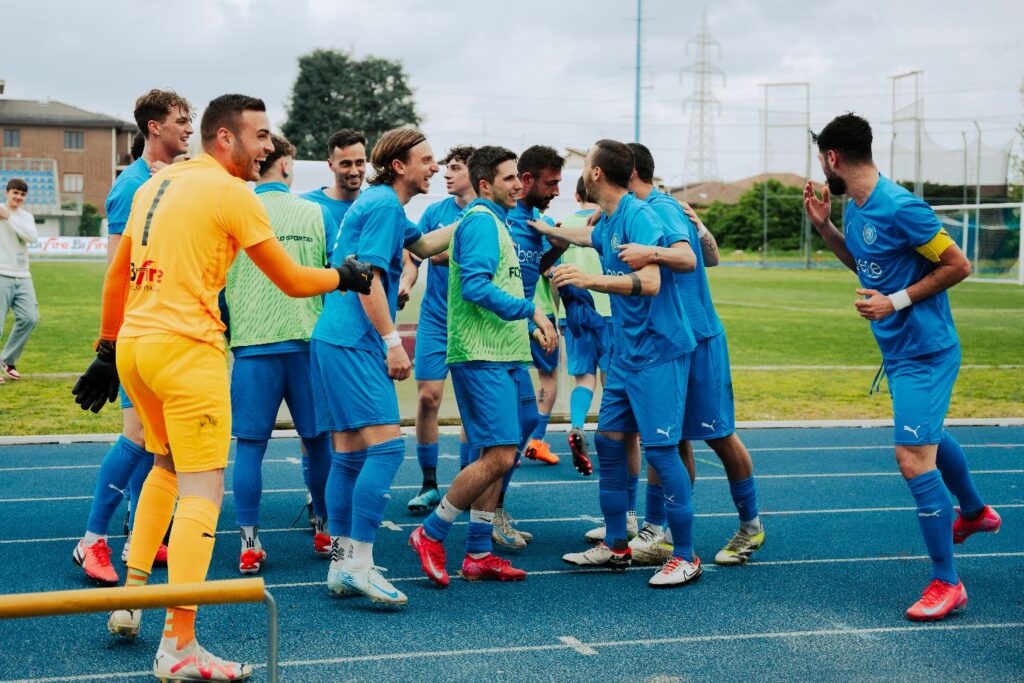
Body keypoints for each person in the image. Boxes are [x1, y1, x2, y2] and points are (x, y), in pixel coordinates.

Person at [71, 93, 372, 681]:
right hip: (188, 352)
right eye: (261, 135)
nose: (269, 146)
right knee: (202, 492)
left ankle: (132, 600)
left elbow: (116, 275)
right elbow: (291, 280)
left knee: (163, 467)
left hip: (137, 347)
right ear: (226, 138)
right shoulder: (234, 193)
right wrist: (345, 276)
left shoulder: (157, 183)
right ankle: (179, 644)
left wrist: (106, 351)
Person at [804, 113, 1000, 621]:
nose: (821, 168)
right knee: (929, 435)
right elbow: (867, 264)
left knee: (913, 456)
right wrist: (825, 227)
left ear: (832, 158)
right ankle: (974, 513)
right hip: (899, 351)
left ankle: (948, 583)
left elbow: (958, 265)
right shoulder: (857, 208)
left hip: (927, 352)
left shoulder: (902, 207)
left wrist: (894, 301)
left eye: (820, 159)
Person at [541, 140, 703, 588]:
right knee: (610, 442)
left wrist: (589, 278)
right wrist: (538, 226)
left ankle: (686, 556)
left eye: (585, 163)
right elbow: (584, 237)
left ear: (596, 173)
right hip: (627, 353)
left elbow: (650, 283)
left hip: (659, 352)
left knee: (662, 452)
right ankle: (616, 546)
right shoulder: (609, 219)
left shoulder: (640, 215)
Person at [312, 127, 459, 606]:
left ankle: (341, 564)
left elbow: (425, 247)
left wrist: (476, 216)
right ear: (399, 165)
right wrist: (393, 342)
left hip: (335, 337)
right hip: (353, 340)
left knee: (350, 455)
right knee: (387, 449)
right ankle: (359, 564)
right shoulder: (383, 207)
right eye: (427, 159)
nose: (435, 167)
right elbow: (369, 280)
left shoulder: (383, 204)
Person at [409, 145, 556, 586]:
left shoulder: (498, 221)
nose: (519, 185)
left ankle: (478, 552)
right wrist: (531, 311)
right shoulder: (479, 222)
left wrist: (527, 327)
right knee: (498, 455)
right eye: (510, 178)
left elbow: (501, 286)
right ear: (486, 184)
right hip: (481, 355)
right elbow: (474, 287)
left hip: (507, 354)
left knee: (510, 445)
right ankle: (430, 533)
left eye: (519, 177)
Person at [618, 143, 765, 567]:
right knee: (667, 436)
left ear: (629, 171)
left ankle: (751, 526)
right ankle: (659, 530)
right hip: (667, 340)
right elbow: (711, 257)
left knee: (718, 434)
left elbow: (705, 258)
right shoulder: (636, 213)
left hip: (699, 338)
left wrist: (694, 231)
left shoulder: (662, 207)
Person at [72, 90, 193, 585]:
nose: (189, 128)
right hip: (138, 334)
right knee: (138, 437)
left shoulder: (175, 179)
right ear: (153, 127)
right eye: (180, 120)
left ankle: (140, 536)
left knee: (158, 441)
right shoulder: (131, 187)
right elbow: (117, 271)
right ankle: (91, 540)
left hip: (170, 332)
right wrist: (109, 348)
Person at [226, 134, 335, 573]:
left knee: (250, 447)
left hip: (252, 344)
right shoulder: (316, 212)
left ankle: (249, 543)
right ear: (286, 165)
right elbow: (335, 276)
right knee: (318, 441)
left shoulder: (234, 212)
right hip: (306, 342)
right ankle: (324, 529)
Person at [408, 145, 477, 514]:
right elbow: (415, 255)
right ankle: (429, 483)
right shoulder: (435, 212)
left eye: (455, 168)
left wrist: (443, 253)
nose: (445, 174)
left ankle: (467, 483)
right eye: (446, 167)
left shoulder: (486, 214)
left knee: (471, 405)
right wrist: (405, 282)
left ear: (474, 173)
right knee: (427, 398)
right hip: (435, 320)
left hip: (473, 324)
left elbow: (440, 253)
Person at [510, 145, 564, 469]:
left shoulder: (538, 222)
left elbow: (535, 269)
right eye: (551, 183)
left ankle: (493, 501)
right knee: (492, 430)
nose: (556, 191)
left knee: (527, 418)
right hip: (494, 335)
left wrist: (559, 246)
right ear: (527, 179)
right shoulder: (502, 219)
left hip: (521, 329)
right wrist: (534, 320)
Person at [301, 128, 368, 260]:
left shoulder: (374, 206)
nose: (354, 171)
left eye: (359, 163)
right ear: (331, 165)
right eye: (346, 164)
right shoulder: (307, 204)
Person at [0, 178, 38, 385]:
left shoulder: (25, 217)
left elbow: (31, 237)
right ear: (7, 192)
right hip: (1, 274)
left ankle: (7, 360)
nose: (18, 197)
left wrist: (9, 218)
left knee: (30, 318)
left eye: (22, 194)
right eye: (15, 192)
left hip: (23, 276)